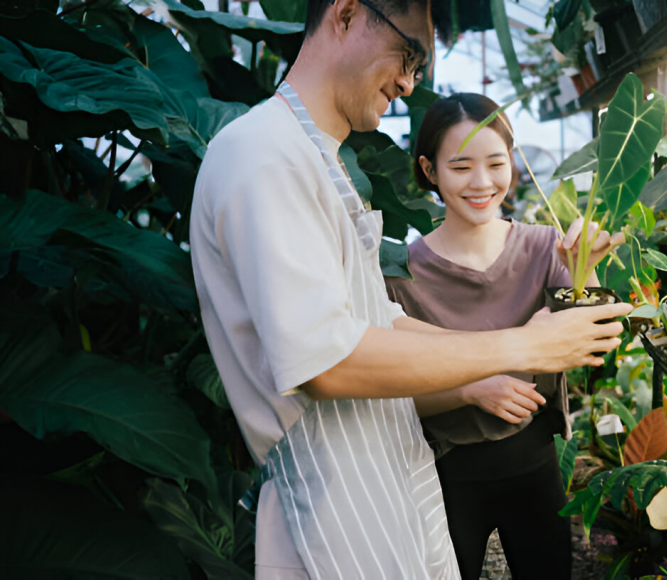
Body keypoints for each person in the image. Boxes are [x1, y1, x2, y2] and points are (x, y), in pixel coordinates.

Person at [190, 1, 632, 578]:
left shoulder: (320, 160)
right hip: (340, 509)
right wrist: (524, 346)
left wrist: (523, 344)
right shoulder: (264, 157)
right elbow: (325, 361)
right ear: (346, 14)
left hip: (388, 485)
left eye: (420, 66)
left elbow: (378, 325)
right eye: (408, 53)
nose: (408, 80)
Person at [384, 93, 624, 579]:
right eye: (460, 166)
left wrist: (588, 270)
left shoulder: (543, 246)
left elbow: (592, 341)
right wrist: (470, 388)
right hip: (445, 475)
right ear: (429, 170)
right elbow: (389, 394)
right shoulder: (401, 272)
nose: (482, 182)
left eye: (496, 163)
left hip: (535, 464)